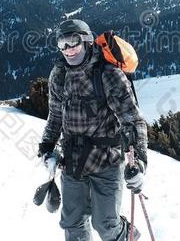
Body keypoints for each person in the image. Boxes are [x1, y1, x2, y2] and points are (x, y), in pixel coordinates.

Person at [38, 19, 148, 241]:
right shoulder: (58, 75)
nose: (68, 49)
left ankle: (129, 236)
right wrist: (46, 147)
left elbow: (132, 121)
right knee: (72, 222)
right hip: (72, 161)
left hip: (106, 161)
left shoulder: (108, 74)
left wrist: (139, 162)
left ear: (87, 42)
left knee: (106, 225)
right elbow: (55, 117)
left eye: (73, 42)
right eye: (62, 43)